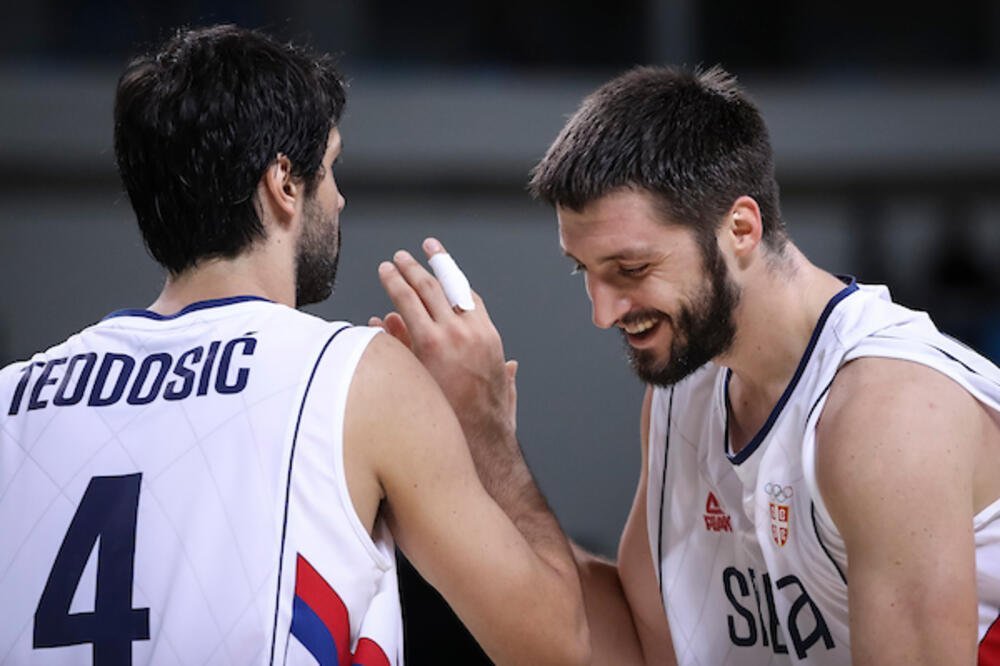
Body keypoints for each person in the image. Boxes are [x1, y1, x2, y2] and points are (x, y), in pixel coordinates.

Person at [0, 25, 589, 665]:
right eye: (330, 167)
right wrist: (485, 428)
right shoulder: (356, 378)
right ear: (284, 181)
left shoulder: (12, 400)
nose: (338, 197)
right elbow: (556, 648)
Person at [374, 65, 1000, 664]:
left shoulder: (887, 415)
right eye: (585, 273)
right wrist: (485, 437)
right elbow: (622, 648)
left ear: (742, 228)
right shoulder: (686, 392)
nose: (602, 312)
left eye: (632, 270)